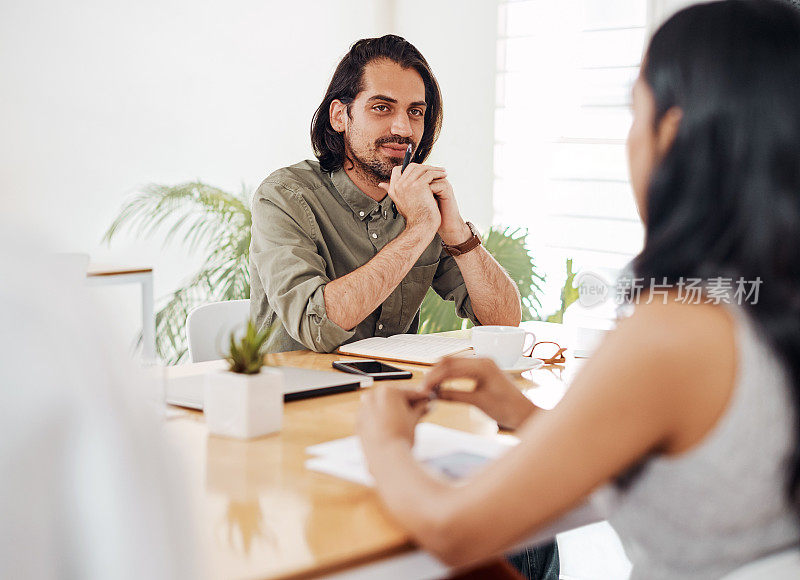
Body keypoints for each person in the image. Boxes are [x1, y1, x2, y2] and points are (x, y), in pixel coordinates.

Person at [356, 1, 800, 578]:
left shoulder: (677, 329)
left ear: (671, 132)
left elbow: (450, 528)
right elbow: (697, 460)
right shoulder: (760, 302)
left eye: (633, 111)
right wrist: (520, 412)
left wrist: (385, 441)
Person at [250, 35, 521, 353]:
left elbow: (504, 324)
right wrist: (418, 230)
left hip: (392, 395)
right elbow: (316, 325)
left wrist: (458, 234)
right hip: (295, 396)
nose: (404, 129)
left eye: (415, 112)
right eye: (382, 107)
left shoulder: (422, 203)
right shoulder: (284, 197)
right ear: (340, 116)